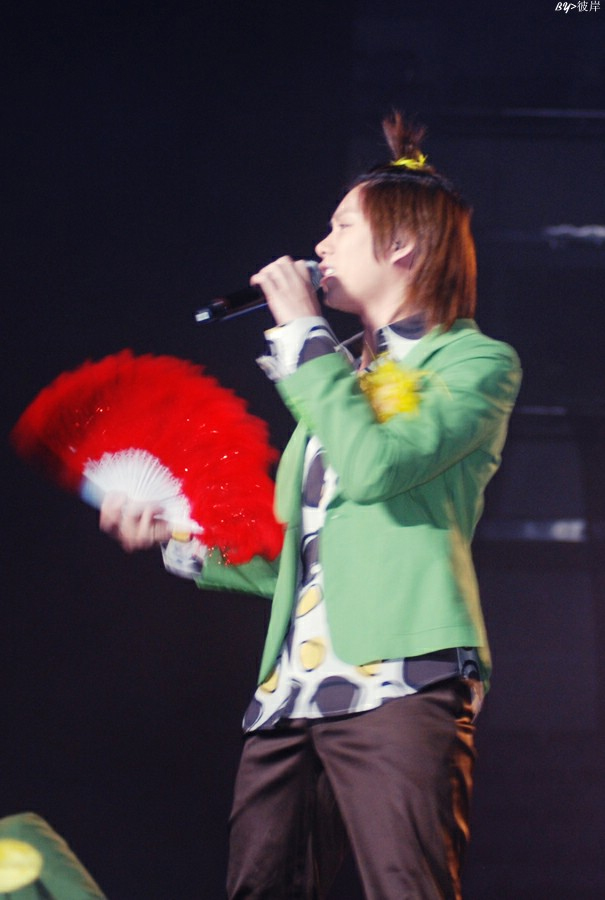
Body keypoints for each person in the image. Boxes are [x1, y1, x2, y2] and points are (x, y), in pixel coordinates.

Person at [100, 113, 521, 899]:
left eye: (340, 229)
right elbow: (303, 560)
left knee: (407, 887)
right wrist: (181, 533)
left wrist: (302, 332)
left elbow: (375, 466)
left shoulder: (474, 363)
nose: (319, 247)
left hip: (398, 680)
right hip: (292, 691)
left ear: (403, 245)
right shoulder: (340, 382)